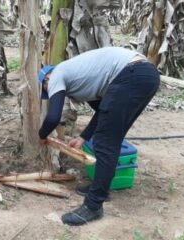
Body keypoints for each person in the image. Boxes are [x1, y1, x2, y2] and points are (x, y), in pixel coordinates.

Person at [37, 47, 160, 226]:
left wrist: (41, 135)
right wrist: (83, 137)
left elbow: (53, 116)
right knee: (111, 137)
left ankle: (93, 206)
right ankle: (101, 188)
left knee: (105, 143)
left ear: (46, 78)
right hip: (146, 75)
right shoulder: (84, 80)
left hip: (132, 75)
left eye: (47, 89)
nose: (51, 92)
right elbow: (103, 112)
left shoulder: (57, 74)